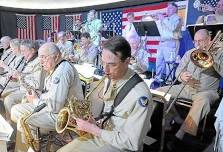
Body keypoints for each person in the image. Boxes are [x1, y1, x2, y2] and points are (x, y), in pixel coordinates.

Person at [57, 36, 154, 152]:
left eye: (112, 64)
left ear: (127, 62)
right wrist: (96, 123)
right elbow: (110, 112)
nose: (106, 70)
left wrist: (95, 130)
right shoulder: (110, 78)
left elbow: (132, 143)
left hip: (121, 146)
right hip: (104, 135)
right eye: (103, 62)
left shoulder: (140, 95)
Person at [10, 42, 84, 148]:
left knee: (23, 118)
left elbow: (55, 107)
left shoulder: (62, 71)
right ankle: (34, 144)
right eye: (40, 58)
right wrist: (38, 95)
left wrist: (35, 100)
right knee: (16, 110)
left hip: (64, 117)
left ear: (57, 56)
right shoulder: (56, 67)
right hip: (55, 109)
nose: (41, 61)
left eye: (44, 57)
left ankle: (33, 146)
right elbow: (50, 93)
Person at [157, 29, 223, 144]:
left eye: (201, 41)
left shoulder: (220, 53)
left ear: (209, 39)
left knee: (202, 100)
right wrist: (182, 76)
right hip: (187, 88)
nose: (197, 44)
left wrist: (214, 59)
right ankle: (176, 118)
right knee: (159, 92)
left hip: (207, 91)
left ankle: (181, 134)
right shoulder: (190, 53)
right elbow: (178, 71)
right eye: (195, 41)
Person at [3, 40, 43, 121]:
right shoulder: (28, 60)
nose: (22, 53)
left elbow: (36, 84)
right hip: (22, 88)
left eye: (23, 51)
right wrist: (14, 78)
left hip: (32, 92)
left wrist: (20, 76)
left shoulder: (38, 62)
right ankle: (11, 123)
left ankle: (13, 125)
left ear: (32, 50)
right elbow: (24, 77)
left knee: (8, 100)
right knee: (5, 95)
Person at [155, 2, 182, 83]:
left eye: (170, 8)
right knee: (159, 61)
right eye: (167, 8)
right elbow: (161, 31)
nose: (168, 10)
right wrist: (159, 21)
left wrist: (163, 19)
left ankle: (169, 80)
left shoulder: (178, 19)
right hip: (162, 43)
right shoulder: (166, 19)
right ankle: (158, 77)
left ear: (175, 10)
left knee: (169, 63)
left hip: (171, 43)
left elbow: (173, 28)